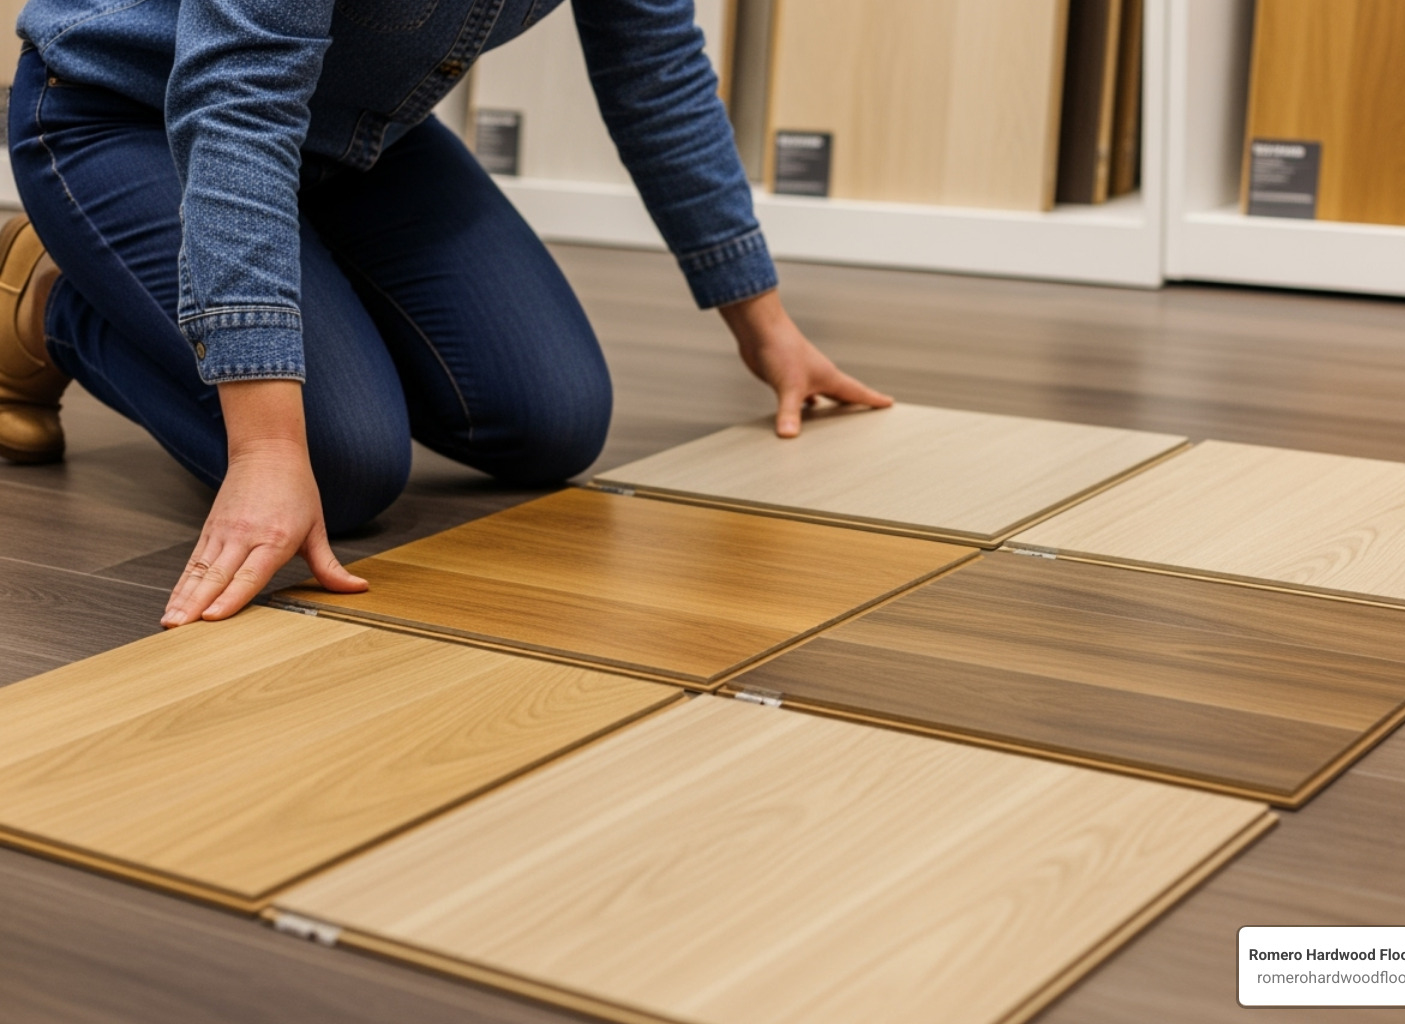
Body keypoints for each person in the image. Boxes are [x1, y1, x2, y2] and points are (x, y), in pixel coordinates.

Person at [0, 0, 890, 629]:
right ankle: (52, 306)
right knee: (341, 470)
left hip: (351, 134)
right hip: (129, 114)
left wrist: (764, 325)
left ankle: (261, 288)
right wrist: (269, 448)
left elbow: (655, 70)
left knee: (552, 419)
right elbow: (238, 101)